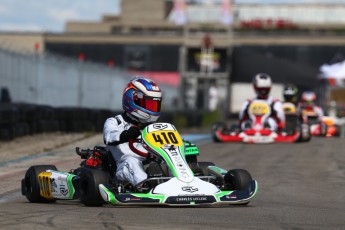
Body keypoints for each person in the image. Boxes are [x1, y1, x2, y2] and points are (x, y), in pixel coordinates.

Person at [103, 77, 162, 191]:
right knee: (131, 161)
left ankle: (187, 181)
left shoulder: (153, 127)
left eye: (154, 105)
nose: (152, 109)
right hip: (123, 167)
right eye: (148, 104)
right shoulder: (115, 121)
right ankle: (146, 188)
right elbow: (109, 137)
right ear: (133, 100)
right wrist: (127, 134)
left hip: (149, 163)